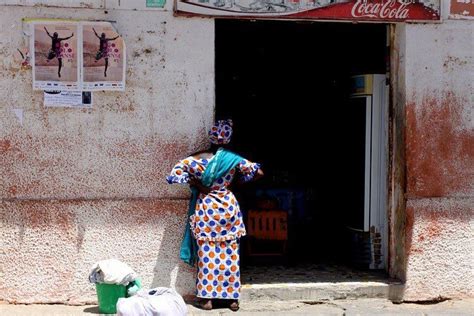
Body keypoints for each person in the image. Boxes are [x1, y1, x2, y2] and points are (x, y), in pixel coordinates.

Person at [167, 119, 263, 311]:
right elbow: (258, 172)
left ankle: (206, 299)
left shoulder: (195, 159)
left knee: (207, 253)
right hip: (228, 207)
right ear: (228, 138)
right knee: (230, 253)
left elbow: (174, 175)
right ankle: (231, 300)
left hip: (206, 207)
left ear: (211, 137)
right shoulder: (234, 159)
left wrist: (195, 183)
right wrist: (234, 183)